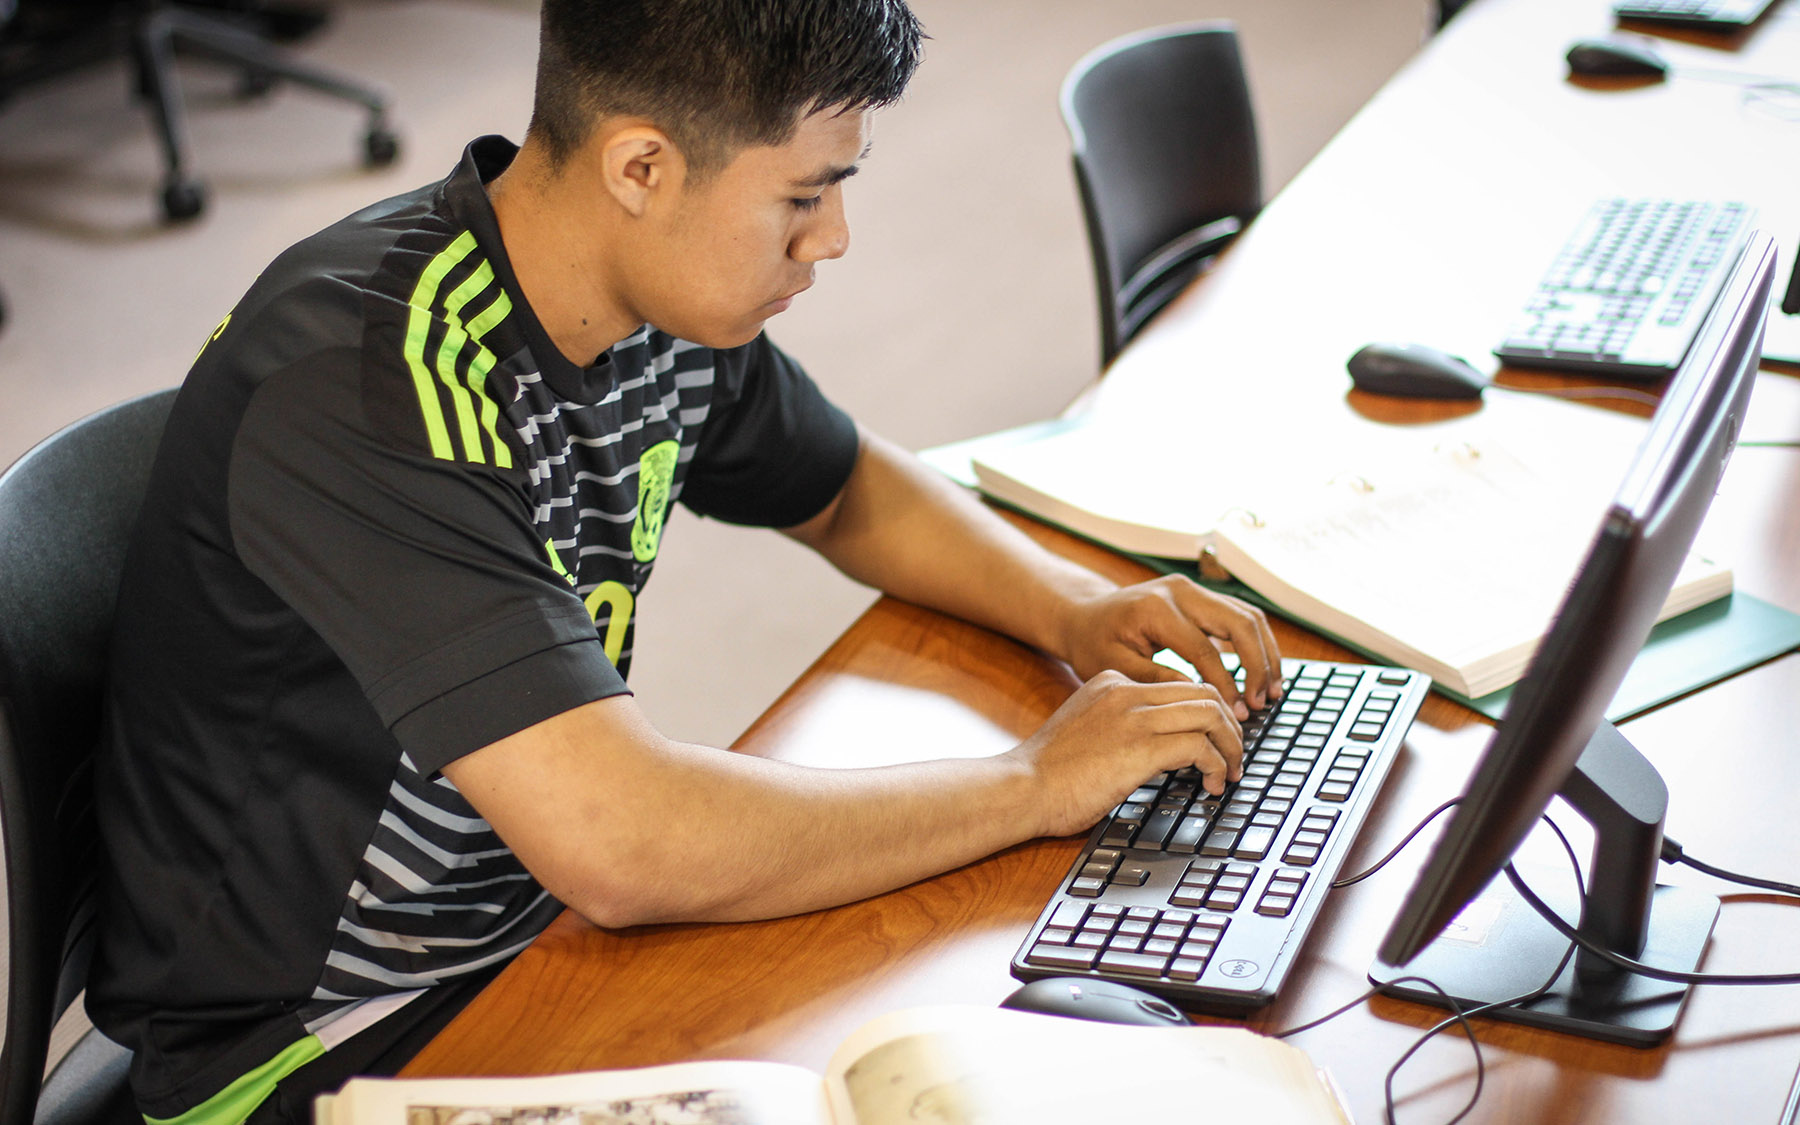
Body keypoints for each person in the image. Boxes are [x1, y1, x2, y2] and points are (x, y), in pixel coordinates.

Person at [88, 1, 1283, 1122]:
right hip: (308, 1045)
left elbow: (844, 487)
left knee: (939, 1013)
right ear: (641, 168)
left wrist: (1074, 609)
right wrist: (1033, 784)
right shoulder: (374, 383)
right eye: (805, 197)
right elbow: (626, 842)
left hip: (523, 929)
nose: (836, 238)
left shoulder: (639, 297)